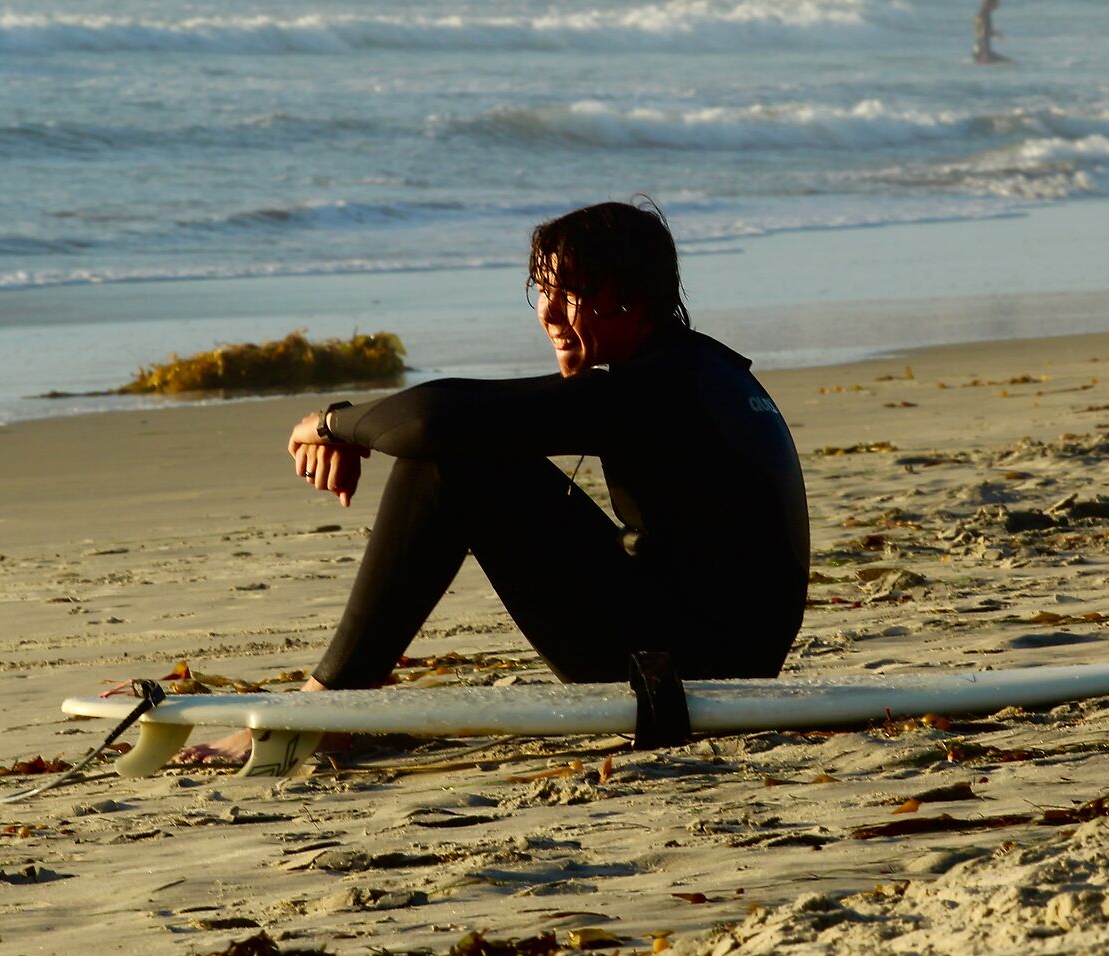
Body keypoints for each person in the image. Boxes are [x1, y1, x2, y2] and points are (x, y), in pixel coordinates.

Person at [215, 201, 810, 757]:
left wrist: (329, 425)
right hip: (709, 652)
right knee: (464, 445)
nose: (548, 313)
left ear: (629, 297)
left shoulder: (652, 392)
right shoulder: (702, 371)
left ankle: (327, 706)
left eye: (569, 292)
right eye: (542, 291)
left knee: (451, 459)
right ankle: (342, 696)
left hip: (686, 672)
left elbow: (431, 419)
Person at [972, 0, 1002, 64]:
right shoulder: (984, 15)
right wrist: (984, 54)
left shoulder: (981, 14)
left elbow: (983, 31)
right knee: (1010, 64)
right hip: (983, 52)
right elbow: (983, 34)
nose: (999, 4)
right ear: (991, 3)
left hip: (977, 50)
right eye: (997, 2)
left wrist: (996, 33)